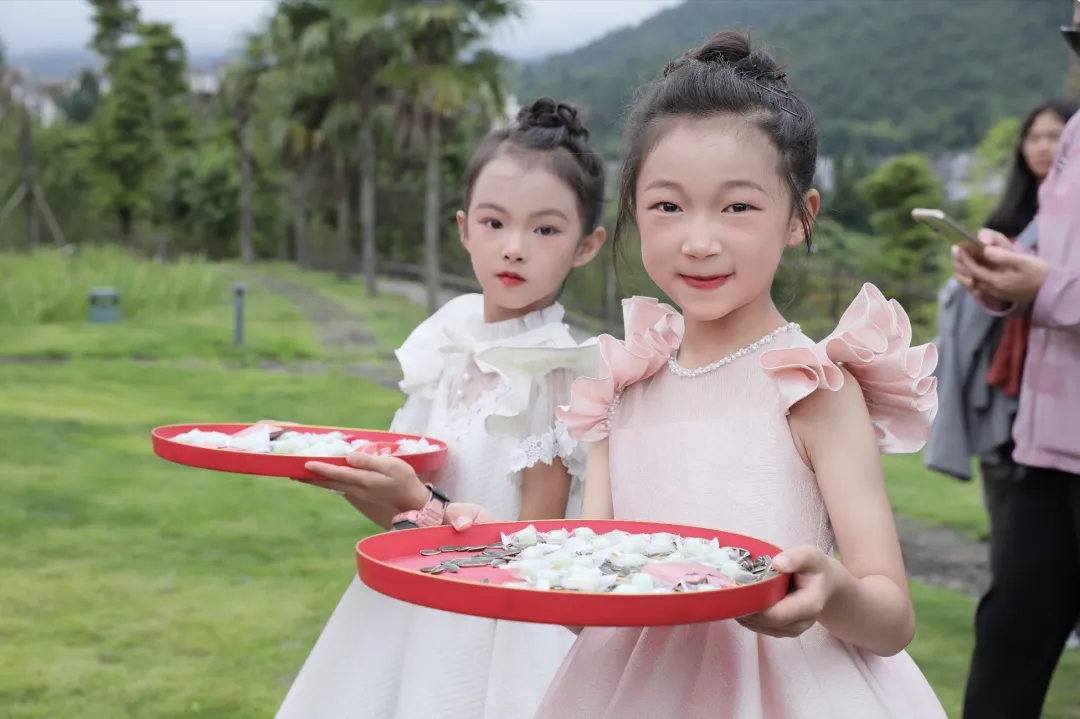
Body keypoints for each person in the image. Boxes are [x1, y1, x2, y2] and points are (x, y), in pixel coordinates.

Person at [489, 29, 944, 718]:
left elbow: (892, 613)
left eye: (738, 206)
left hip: (789, 691)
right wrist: (488, 541)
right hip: (632, 690)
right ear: (634, 213)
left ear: (799, 216)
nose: (699, 241)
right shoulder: (622, 385)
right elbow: (589, 604)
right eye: (668, 206)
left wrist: (832, 591)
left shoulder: (810, 385)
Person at [273, 97, 607, 719]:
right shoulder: (449, 344)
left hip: (492, 630)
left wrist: (421, 509)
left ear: (586, 246)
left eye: (546, 229)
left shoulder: (559, 373)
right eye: (493, 222)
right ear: (463, 228)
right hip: (408, 602)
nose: (514, 248)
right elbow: (396, 512)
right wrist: (354, 479)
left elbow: (533, 553)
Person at [955, 3, 1080, 714]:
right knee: (1007, 637)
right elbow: (1050, 260)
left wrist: (1048, 289)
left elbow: (1057, 283)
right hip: (1047, 442)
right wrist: (1002, 275)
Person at [925, 99, 1078, 567]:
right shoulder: (1013, 215)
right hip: (1009, 376)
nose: (1045, 147)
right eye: (1035, 137)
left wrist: (1044, 286)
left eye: (1055, 136)